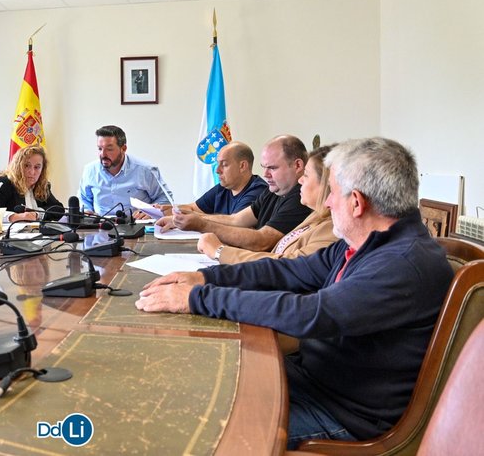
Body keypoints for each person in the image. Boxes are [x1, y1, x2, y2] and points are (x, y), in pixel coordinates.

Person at [136, 137, 453, 449]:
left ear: (356, 202)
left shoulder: (403, 263)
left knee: (190, 427)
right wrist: (205, 277)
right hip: (312, 379)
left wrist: (196, 299)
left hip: (344, 413)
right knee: (193, 383)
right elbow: (286, 271)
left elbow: (311, 313)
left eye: (334, 194)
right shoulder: (368, 242)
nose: (327, 203)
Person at [158, 135, 311, 254]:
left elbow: (263, 240)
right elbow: (237, 219)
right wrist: (194, 219)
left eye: (272, 168)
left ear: (298, 165)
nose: (266, 174)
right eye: (264, 167)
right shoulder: (274, 191)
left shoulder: (301, 197)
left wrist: (201, 224)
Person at [197, 145, 337, 263]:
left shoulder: (331, 228)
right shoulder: (316, 217)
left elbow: (287, 265)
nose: (301, 181)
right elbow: (237, 219)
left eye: (306, 175)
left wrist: (219, 251)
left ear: (327, 184)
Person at [78, 125, 171, 215]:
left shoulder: (145, 170)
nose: (103, 154)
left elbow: (165, 199)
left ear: (123, 148)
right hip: (101, 226)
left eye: (109, 149)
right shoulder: (90, 170)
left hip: (137, 225)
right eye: (99, 148)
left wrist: (150, 211)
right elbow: (84, 199)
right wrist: (86, 211)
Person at [158, 141, 267, 217]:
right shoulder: (223, 188)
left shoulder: (258, 191)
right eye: (217, 164)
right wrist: (163, 211)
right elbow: (193, 208)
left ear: (242, 166)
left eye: (224, 165)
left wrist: (190, 219)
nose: (217, 170)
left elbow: (235, 224)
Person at [0, 145, 63, 222]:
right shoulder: (4, 183)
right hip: (10, 232)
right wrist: (15, 217)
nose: (32, 172)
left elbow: (58, 209)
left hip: (36, 232)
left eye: (37, 167)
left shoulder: (43, 185)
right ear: (18, 166)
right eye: (27, 166)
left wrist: (37, 214)